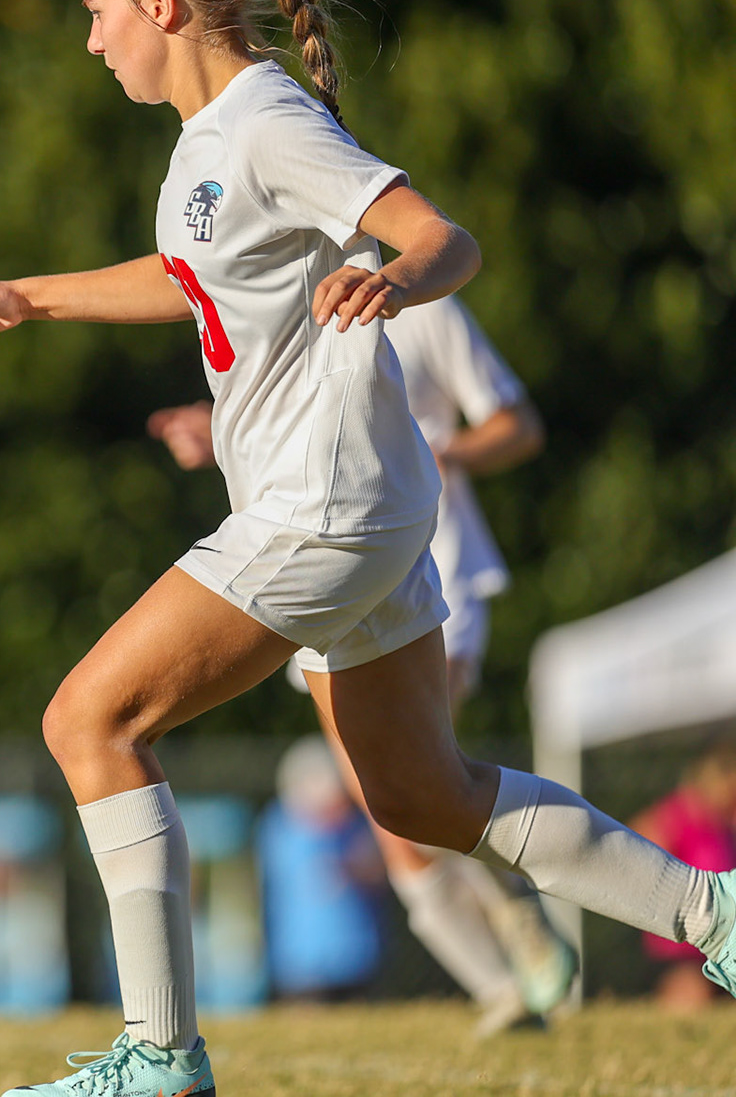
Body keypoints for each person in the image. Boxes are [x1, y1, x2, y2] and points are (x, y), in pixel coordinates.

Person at [0, 0, 736, 1097]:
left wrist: (403, 279)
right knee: (422, 793)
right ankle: (715, 910)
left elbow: (441, 235)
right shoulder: (211, 140)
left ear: (159, 3)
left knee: (88, 720)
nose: (91, 40)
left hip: (325, 504)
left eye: (99, 13)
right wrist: (27, 297)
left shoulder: (264, 122)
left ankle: (160, 1057)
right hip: (362, 506)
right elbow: (189, 266)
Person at [148, 294, 576, 1033]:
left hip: (430, 566)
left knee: (419, 773)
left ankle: (524, 908)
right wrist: (215, 432)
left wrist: (445, 454)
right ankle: (502, 991)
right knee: (388, 805)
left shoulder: (427, 310)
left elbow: (520, 426)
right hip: (325, 579)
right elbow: (291, 439)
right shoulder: (287, 305)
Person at [257, 736, 386, 1003]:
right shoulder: (280, 827)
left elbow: (378, 874)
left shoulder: (356, 827)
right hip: (300, 965)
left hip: (356, 959)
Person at [631, 737, 736, 1011]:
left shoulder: (725, 827)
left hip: (719, 940)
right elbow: (634, 847)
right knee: (695, 998)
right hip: (680, 948)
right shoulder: (681, 814)